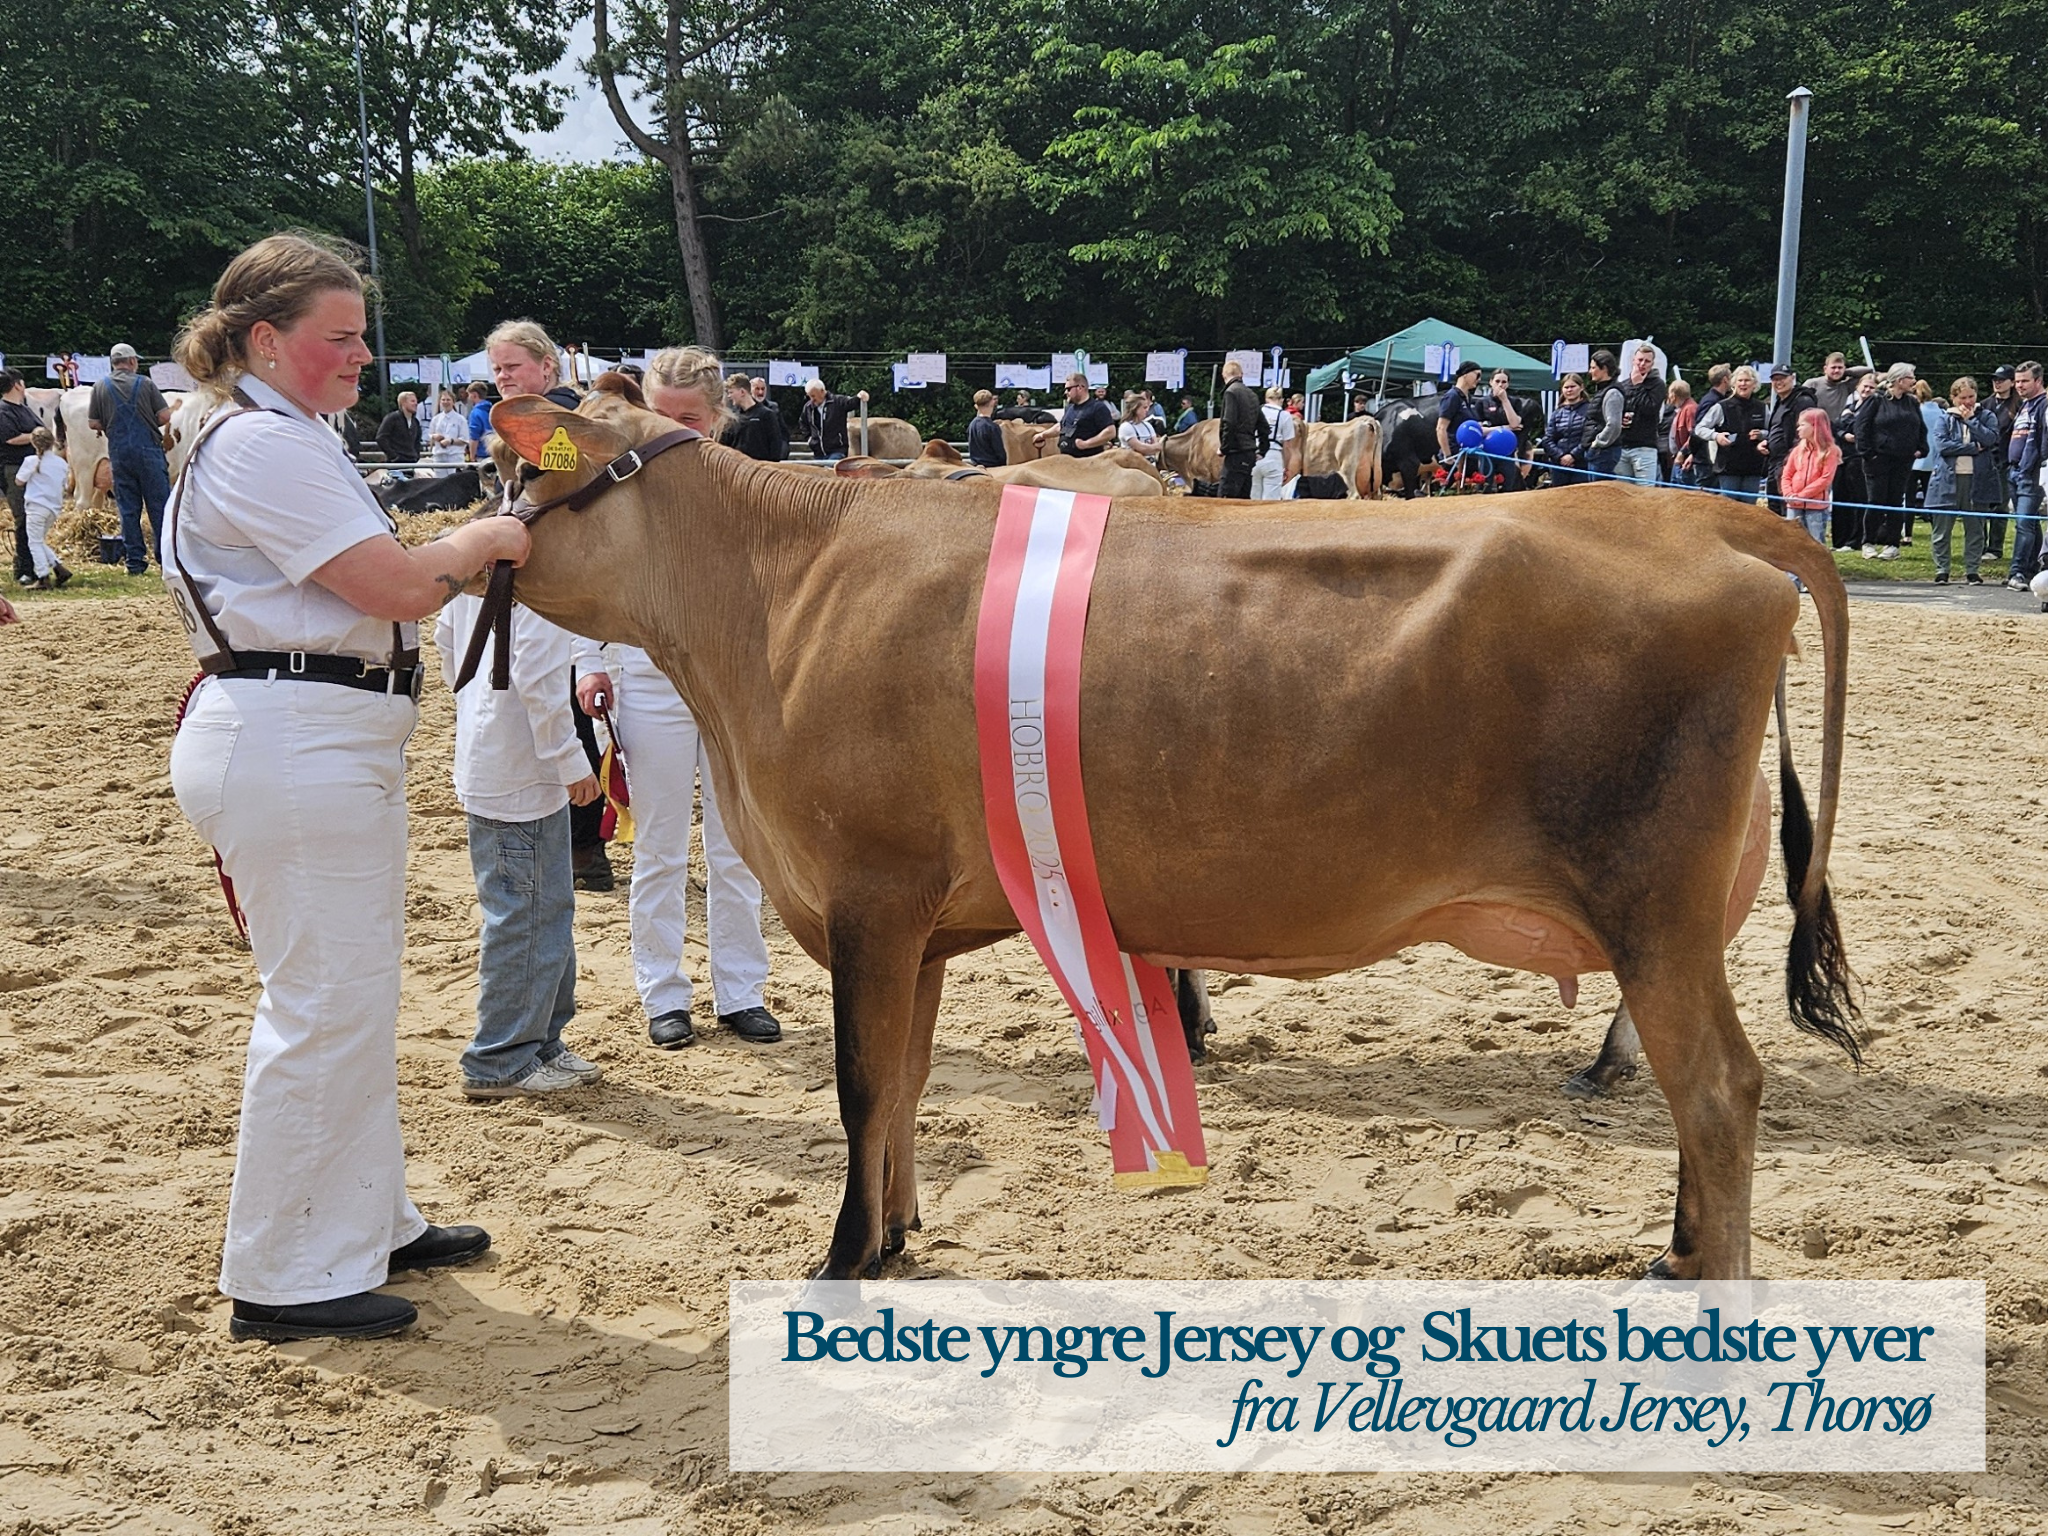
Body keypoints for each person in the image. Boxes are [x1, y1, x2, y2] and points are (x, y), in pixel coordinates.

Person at [164, 231, 527, 1343]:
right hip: (291, 732)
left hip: (319, 731)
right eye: (341, 337)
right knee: (322, 1005)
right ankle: (284, 1273)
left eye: (361, 334)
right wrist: (485, 534)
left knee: (350, 999)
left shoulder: (291, 431)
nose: (364, 355)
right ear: (266, 341)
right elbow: (393, 586)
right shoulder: (262, 445)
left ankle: (362, 1220)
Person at [573, 347, 782, 1049]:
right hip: (650, 679)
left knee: (738, 847)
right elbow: (584, 578)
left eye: (687, 419)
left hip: (729, 685)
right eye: (659, 416)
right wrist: (588, 659)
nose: (671, 430)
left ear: (716, 419)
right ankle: (663, 992)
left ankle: (741, 990)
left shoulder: (741, 486)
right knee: (660, 846)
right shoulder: (618, 487)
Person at [435, 589, 604, 1097]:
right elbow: (536, 675)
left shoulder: (479, 576)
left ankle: (541, 1040)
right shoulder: (533, 585)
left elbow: (447, 645)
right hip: (521, 770)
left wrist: (477, 705)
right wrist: (570, 760)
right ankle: (500, 1058)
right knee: (524, 917)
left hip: (501, 758)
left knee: (546, 910)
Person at [485, 320, 607, 889]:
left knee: (568, 698)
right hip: (555, 574)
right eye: (497, 368)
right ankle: (582, 843)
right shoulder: (533, 419)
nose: (503, 376)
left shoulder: (552, 418)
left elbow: (555, 489)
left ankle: (584, 845)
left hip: (561, 578)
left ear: (546, 367)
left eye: (512, 366)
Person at [89, 343, 174, 575]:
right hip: (148, 451)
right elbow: (165, 416)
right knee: (159, 507)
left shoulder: (99, 387)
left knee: (128, 509)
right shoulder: (145, 384)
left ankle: (135, 562)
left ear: (113, 363)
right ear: (132, 361)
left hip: (119, 454)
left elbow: (93, 423)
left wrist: (110, 422)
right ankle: (165, 558)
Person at [1925, 376, 2001, 586]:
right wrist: (1972, 448)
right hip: (1947, 479)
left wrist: (1971, 422)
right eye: (1962, 397)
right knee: (1942, 529)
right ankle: (1942, 570)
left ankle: (1972, 570)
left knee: (1975, 528)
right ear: (1954, 397)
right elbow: (1943, 446)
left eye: (1971, 396)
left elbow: (1990, 439)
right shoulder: (1944, 418)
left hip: (1978, 479)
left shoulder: (1987, 416)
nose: (1967, 401)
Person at [1854, 363, 1928, 561]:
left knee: (1896, 501)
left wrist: (1921, 447)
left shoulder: (1911, 402)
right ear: (1899, 380)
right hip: (1878, 459)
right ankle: (1868, 541)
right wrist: (1868, 454)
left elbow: (1920, 426)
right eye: (1911, 377)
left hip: (1903, 460)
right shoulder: (1876, 401)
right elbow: (1862, 427)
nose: (1914, 381)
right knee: (1876, 500)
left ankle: (1892, 543)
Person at [1693, 365, 1768, 503]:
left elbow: (1771, 431)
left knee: (1749, 511)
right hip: (1728, 468)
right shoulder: (1722, 406)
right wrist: (1716, 436)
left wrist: (1762, 434)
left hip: (1753, 468)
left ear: (1755, 384)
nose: (1743, 384)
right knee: (1729, 510)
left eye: (1747, 380)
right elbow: (1700, 428)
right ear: (1734, 383)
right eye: (1740, 380)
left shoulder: (1762, 408)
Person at [2004, 361, 2046, 590]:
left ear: (2038, 381)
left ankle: (2017, 572)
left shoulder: (2043, 405)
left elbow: (2041, 441)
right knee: (2030, 524)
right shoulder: (2025, 405)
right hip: (2014, 469)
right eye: (2017, 381)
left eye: (2024, 381)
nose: (2019, 386)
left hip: (2031, 472)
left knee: (2024, 523)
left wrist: (2030, 466)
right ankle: (2034, 567)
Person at [0, 371, 42, 587]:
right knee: (23, 519)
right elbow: (10, 438)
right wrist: (37, 435)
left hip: (31, 468)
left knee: (33, 518)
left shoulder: (23, 409)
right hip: (13, 469)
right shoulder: (3, 411)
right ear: (17, 385)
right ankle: (24, 569)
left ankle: (36, 565)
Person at [14, 428, 70, 589]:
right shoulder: (61, 463)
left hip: (36, 506)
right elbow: (65, 485)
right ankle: (59, 568)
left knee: (34, 542)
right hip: (53, 507)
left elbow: (19, 481)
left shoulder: (32, 461)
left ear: (33, 443)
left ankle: (42, 576)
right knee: (38, 540)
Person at [1779, 408, 1840, 549]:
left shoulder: (1831, 451)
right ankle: (1792, 571)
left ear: (1815, 426)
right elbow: (1786, 474)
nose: (1798, 429)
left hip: (1815, 506)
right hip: (1793, 504)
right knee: (1792, 541)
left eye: (1802, 425)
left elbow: (1825, 479)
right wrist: (1788, 494)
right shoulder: (1797, 450)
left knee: (1815, 543)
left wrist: (1802, 496)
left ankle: (1819, 570)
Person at [1831, 370, 1878, 552]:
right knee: (1840, 496)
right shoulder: (1850, 403)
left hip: (1859, 457)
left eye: (1871, 387)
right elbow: (1838, 426)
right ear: (1858, 387)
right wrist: (1844, 433)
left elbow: (1862, 429)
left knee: (1858, 498)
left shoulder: (1874, 406)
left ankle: (1855, 539)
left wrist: (1850, 430)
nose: (1867, 390)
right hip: (1843, 454)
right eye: (1865, 386)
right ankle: (1839, 539)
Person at [1762, 364, 1818, 514]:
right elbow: (1779, 429)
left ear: (1792, 378)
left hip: (1792, 464)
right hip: (1774, 462)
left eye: (1782, 378)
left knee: (1788, 508)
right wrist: (1767, 443)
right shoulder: (1780, 401)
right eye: (1775, 379)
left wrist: (1792, 462)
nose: (1778, 382)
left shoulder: (1803, 401)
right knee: (1773, 507)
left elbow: (1806, 435)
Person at [1615, 345, 1665, 484]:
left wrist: (1638, 386)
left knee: (1645, 494)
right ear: (1633, 360)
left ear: (1652, 364)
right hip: (1623, 446)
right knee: (1623, 493)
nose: (1642, 364)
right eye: (1640, 360)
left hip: (1645, 448)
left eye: (1647, 361)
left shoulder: (1658, 384)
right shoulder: (1623, 385)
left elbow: (1650, 408)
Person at [1035, 372, 1116, 458]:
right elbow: (1061, 426)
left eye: (1068, 389)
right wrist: (1042, 435)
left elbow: (1110, 432)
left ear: (1080, 388)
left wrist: (1086, 444)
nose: (1066, 392)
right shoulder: (1070, 408)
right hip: (1068, 460)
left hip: (1088, 462)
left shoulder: (1097, 407)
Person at [1216, 359, 1265, 499]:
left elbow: (1229, 422)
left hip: (1236, 452)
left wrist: (1224, 448)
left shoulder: (1230, 393)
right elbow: (1263, 426)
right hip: (1250, 453)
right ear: (1241, 374)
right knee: (1243, 500)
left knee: (1226, 497)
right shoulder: (1252, 395)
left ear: (1224, 375)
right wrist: (1262, 449)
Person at [1535, 373, 1591, 485]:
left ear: (1581, 387)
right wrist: (1560, 456)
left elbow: (1589, 437)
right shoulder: (1557, 413)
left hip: (1582, 465)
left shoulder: (1590, 410)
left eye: (1572, 386)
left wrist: (1573, 456)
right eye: (1566, 387)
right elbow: (1547, 439)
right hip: (1559, 466)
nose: (1569, 390)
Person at [1473, 368, 1525, 490]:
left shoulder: (1515, 402)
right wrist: (1503, 428)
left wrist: (1505, 400)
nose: (1500, 385)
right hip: (1487, 450)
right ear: (1491, 382)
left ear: (1508, 384)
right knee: (1485, 486)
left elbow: (1514, 423)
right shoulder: (1481, 403)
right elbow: (1480, 430)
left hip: (1507, 451)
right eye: (1497, 381)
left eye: (1503, 382)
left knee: (1508, 486)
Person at [1986, 364, 2017, 563]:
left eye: (2002, 379)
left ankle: (1995, 547)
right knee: (1980, 504)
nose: (1997, 383)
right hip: (1985, 460)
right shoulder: (1985, 404)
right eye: (1995, 379)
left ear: (2012, 382)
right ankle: (1979, 545)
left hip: (2006, 462)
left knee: (2000, 506)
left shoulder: (2019, 405)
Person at [1909, 379, 1945, 544]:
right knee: (1932, 500)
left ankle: (1907, 534)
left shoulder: (1915, 412)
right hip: (1934, 461)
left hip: (1915, 460)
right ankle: (1937, 531)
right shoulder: (1941, 412)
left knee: (1909, 498)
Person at [799, 379, 868, 461]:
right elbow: (803, 422)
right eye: (809, 396)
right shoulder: (808, 408)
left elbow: (851, 402)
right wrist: (810, 439)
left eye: (813, 396)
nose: (811, 399)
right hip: (818, 453)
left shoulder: (837, 402)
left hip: (837, 450)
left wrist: (860, 396)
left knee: (829, 470)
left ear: (822, 391)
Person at [1690, 364, 1733, 493]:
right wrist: (1689, 452)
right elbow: (1698, 430)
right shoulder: (1712, 401)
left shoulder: (1716, 399)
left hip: (1708, 458)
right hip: (1706, 458)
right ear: (1725, 379)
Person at [1252, 385, 1299, 499]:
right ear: (1281, 400)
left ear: (1266, 398)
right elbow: (1287, 446)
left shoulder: (1256, 412)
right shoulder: (1285, 415)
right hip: (1274, 456)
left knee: (1253, 497)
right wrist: (1286, 467)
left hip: (1255, 455)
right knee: (1271, 501)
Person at [722, 374, 784, 461]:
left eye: (731, 392)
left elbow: (776, 446)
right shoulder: (732, 418)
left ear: (742, 392)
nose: (729, 396)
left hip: (761, 470)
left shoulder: (767, 415)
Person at [1583, 350, 1624, 479]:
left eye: (1593, 367)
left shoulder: (1612, 393)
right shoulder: (1602, 391)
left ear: (1604, 368)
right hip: (1598, 452)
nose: (1590, 371)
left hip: (1604, 452)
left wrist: (1598, 443)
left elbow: (1614, 424)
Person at [1435, 359, 1481, 465]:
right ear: (1465, 374)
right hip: (1454, 456)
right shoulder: (1452, 397)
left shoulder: (1469, 398)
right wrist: (1448, 455)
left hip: (1468, 455)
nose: (1479, 379)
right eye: (1477, 375)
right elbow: (1441, 428)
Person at [376, 390, 422, 473]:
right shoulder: (392, 418)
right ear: (403, 403)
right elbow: (381, 437)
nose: (416, 404)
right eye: (412, 401)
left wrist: (416, 455)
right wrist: (393, 456)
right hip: (396, 463)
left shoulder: (415, 422)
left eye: (416, 401)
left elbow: (417, 441)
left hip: (411, 462)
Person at [1666, 379, 1698, 489]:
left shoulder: (1690, 409)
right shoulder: (1682, 409)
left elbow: (1694, 435)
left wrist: (1683, 453)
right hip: (1678, 461)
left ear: (1674, 395)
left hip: (1685, 463)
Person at [426, 389, 469, 472]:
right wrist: (435, 437)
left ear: (453, 402)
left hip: (455, 457)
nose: (445, 402)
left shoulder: (460, 419)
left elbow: (465, 439)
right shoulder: (436, 419)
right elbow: (430, 434)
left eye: (448, 400)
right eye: (443, 400)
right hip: (439, 457)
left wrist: (451, 441)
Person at [1806, 353, 1854, 420]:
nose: (1837, 370)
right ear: (1825, 369)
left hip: (1837, 427)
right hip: (1816, 426)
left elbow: (1869, 371)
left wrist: (1845, 372)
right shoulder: (1812, 384)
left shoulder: (1846, 385)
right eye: (1833, 367)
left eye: (1840, 368)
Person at [1117, 393, 1162, 462]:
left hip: (1150, 464)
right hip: (1133, 466)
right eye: (1144, 408)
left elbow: (1155, 444)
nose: (1147, 410)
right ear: (1135, 409)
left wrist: (1154, 447)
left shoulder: (1148, 425)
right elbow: (1140, 448)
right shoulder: (1126, 427)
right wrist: (1156, 447)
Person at [967, 389, 1006, 468]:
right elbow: (999, 453)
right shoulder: (992, 427)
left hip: (976, 466)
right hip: (992, 467)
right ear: (992, 402)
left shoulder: (972, 424)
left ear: (976, 406)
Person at [465, 382, 494, 450]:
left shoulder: (475, 413)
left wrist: (472, 456)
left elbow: (474, 436)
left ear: (474, 395)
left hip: (481, 452)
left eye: (469, 395)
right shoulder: (492, 410)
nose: (468, 397)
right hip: (494, 450)